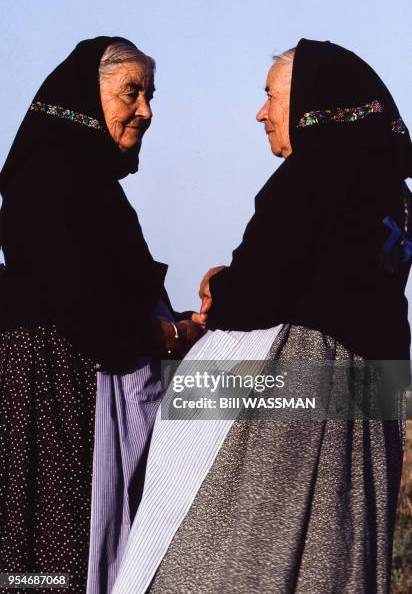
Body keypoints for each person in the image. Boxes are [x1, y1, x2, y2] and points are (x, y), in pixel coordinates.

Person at [111, 39, 412, 594]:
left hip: (297, 407)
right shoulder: (391, 192)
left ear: (307, 103)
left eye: (270, 97)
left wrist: (218, 286)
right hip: (370, 410)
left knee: (226, 557)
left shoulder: (313, 173)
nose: (261, 112)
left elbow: (256, 296)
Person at [0, 36, 202, 593]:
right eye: (130, 93)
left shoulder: (86, 184)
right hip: (55, 388)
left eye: (149, 94)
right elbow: (81, 302)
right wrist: (168, 334)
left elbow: (106, 293)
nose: (146, 110)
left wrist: (183, 322)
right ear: (87, 96)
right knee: (58, 540)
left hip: (76, 379)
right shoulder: (51, 180)